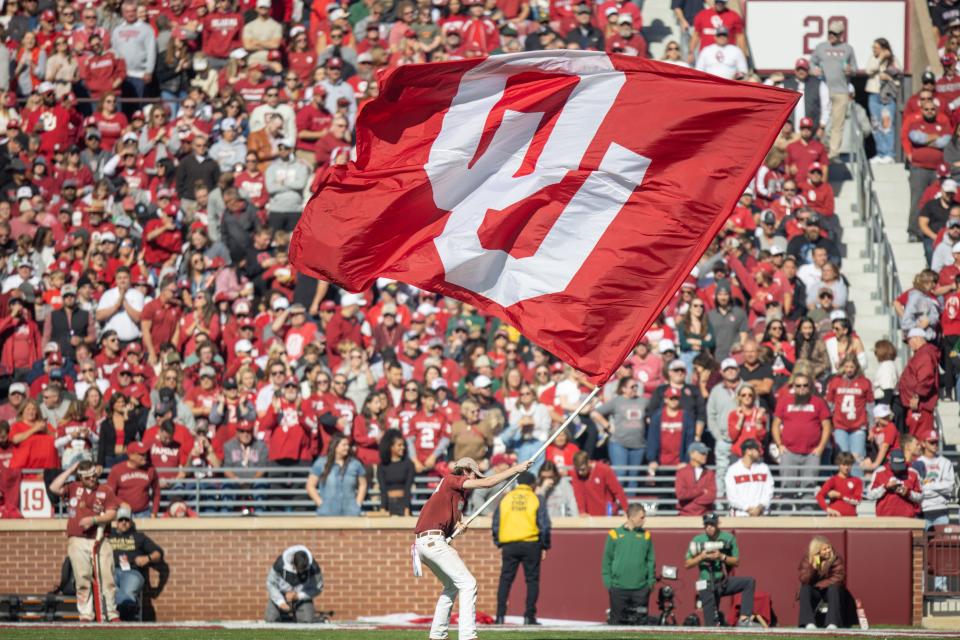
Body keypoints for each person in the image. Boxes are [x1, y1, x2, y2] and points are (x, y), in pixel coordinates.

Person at [413, 456, 532, 640]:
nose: (475, 479)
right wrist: (516, 469)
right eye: (474, 474)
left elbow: (448, 518)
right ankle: (468, 635)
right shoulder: (452, 478)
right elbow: (488, 483)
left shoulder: (457, 493)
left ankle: (437, 635)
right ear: (466, 470)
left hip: (427, 543)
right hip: (431, 541)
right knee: (468, 583)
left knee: (452, 586)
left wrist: (458, 525)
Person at [48, 460, 120, 622]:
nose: (92, 480)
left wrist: (94, 520)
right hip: (78, 539)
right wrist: (71, 468)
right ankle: (86, 614)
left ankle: (111, 612)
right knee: (82, 577)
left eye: (94, 476)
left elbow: (112, 513)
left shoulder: (105, 490)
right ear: (81, 477)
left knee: (107, 577)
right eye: (88, 477)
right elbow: (53, 487)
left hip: (100, 538)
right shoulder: (73, 487)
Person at [491, 471, 550, 625]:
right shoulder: (536, 498)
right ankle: (529, 616)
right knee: (531, 580)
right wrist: (544, 545)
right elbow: (544, 525)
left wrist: (499, 542)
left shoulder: (506, 498)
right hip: (531, 543)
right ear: (532, 484)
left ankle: (500, 616)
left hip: (509, 545)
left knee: (505, 580)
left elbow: (496, 522)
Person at [685, 513, 758, 627]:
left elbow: (736, 561)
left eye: (712, 524)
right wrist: (701, 557)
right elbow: (687, 564)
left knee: (749, 582)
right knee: (711, 625)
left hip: (722, 581)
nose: (709, 527)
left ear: (718, 524)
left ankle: (744, 619)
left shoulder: (728, 538)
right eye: (707, 524)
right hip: (706, 583)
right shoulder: (697, 540)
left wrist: (722, 557)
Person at [107, 505, 164, 620]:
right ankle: (125, 619)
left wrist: (147, 558)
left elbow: (158, 553)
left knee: (127, 591)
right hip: (110, 571)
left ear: (131, 522)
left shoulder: (139, 537)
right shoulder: (108, 534)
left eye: (126, 520)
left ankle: (122, 620)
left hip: (132, 572)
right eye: (121, 520)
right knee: (112, 591)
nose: (123, 522)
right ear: (116, 522)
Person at [602, 503, 655, 625]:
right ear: (632, 517)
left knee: (641, 625)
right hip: (618, 589)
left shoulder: (646, 535)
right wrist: (608, 583)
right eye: (642, 517)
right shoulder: (614, 534)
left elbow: (651, 560)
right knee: (616, 625)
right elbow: (607, 560)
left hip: (641, 590)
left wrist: (650, 583)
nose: (644, 520)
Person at [810, 19, 857, 160]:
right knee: (821, 120)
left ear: (841, 34)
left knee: (838, 124)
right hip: (823, 89)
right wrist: (814, 69)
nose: (831, 35)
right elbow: (811, 62)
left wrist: (850, 70)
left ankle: (833, 152)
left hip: (841, 91)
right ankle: (815, 147)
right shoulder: (820, 47)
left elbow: (855, 69)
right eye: (830, 32)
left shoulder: (848, 49)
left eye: (835, 33)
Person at [306, 432, 366, 516]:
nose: (347, 448)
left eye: (348, 445)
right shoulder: (321, 463)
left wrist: (357, 504)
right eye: (344, 445)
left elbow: (363, 484)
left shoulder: (355, 464)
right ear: (335, 446)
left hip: (351, 514)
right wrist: (321, 504)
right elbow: (310, 486)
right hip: (327, 514)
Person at [798, 536, 846, 629]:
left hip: (829, 591)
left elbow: (838, 578)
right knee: (805, 589)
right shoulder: (808, 559)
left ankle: (832, 623)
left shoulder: (835, 559)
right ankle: (808, 623)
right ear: (817, 551)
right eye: (824, 549)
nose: (828, 551)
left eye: (829, 547)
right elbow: (804, 579)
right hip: (815, 591)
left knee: (833, 588)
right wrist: (813, 568)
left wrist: (818, 585)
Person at [265, 545, 323, 622]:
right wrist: (280, 602)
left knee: (307, 620)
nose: (301, 572)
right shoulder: (280, 563)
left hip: (301, 596)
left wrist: (298, 596)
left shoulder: (313, 567)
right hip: (280, 594)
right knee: (271, 619)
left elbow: (318, 588)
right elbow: (271, 583)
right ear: (293, 563)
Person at [569, 450, 629, 516]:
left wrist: (626, 509)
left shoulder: (604, 470)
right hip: (590, 515)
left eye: (583, 469)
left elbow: (617, 490)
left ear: (588, 463)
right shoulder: (576, 474)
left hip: (608, 513)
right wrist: (582, 511)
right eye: (578, 470)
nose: (580, 472)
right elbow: (579, 494)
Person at [723, 439, 773, 517]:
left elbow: (769, 491)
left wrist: (759, 508)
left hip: (762, 514)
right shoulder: (733, 470)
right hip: (740, 515)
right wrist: (747, 508)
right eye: (757, 450)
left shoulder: (764, 468)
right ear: (748, 451)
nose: (760, 452)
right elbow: (732, 497)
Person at [916, 431, 956, 528]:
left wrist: (927, 486)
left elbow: (950, 487)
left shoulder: (946, 462)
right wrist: (939, 488)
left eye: (936, 442)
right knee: (922, 542)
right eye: (931, 442)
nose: (935, 445)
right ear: (923, 443)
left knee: (940, 542)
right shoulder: (917, 462)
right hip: (923, 509)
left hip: (941, 510)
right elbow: (917, 488)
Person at [867, 449, 923, 517]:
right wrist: (885, 487)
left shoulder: (913, 472)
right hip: (884, 519)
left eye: (900, 466)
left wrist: (908, 493)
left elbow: (921, 497)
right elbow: (869, 495)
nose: (898, 469)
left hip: (907, 519)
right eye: (895, 466)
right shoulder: (880, 472)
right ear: (889, 461)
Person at [377, 428, 415, 516]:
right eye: (399, 445)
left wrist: (407, 508)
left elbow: (407, 488)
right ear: (391, 447)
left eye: (403, 445)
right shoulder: (382, 466)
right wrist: (383, 508)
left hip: (403, 505)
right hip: (388, 505)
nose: (403, 447)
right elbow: (383, 489)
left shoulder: (409, 464)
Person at [675, 441, 716, 515]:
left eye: (706, 453)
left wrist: (691, 502)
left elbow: (711, 496)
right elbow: (681, 494)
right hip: (685, 515)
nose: (705, 455)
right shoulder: (682, 472)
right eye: (702, 453)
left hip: (704, 516)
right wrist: (701, 491)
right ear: (692, 454)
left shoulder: (710, 473)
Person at [815, 452, 862, 516]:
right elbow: (819, 496)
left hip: (851, 518)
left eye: (849, 464)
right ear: (839, 464)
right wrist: (827, 509)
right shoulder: (833, 480)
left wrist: (840, 496)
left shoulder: (857, 481)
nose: (846, 467)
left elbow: (857, 501)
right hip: (834, 518)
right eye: (844, 464)